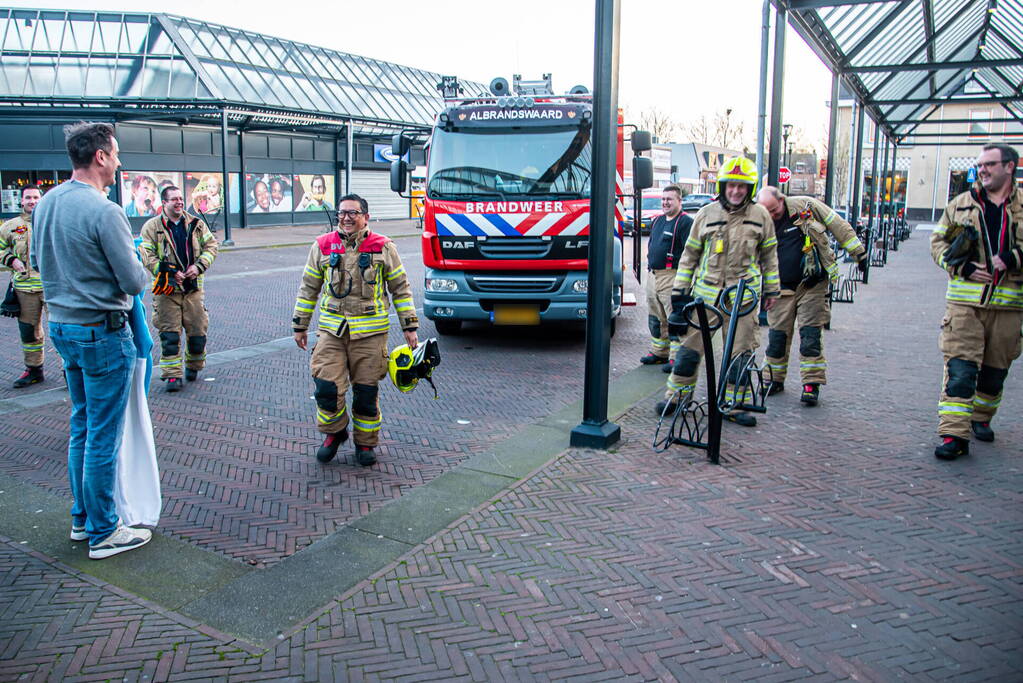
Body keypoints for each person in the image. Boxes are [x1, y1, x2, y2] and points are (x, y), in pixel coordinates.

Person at [30, 121, 153, 559]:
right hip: (102, 330)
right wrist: (143, 265)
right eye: (116, 154)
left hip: (63, 328)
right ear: (100, 156)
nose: (119, 162)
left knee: (81, 426)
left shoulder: (45, 204)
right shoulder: (105, 210)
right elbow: (133, 279)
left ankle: (82, 519)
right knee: (104, 433)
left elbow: (34, 261)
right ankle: (104, 530)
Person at [292, 194, 419, 466]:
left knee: (365, 394)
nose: (346, 218)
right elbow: (309, 288)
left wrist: (409, 326)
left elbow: (400, 289)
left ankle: (365, 444)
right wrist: (300, 325)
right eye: (342, 213)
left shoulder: (383, 247)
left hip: (370, 335)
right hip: (332, 331)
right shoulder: (323, 246)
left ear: (366, 217)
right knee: (326, 389)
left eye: (353, 213)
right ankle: (334, 433)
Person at [656, 157, 780, 427]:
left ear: (750, 188)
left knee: (740, 354)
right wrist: (679, 295)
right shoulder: (705, 214)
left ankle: (734, 405)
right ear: (723, 186)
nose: (736, 191)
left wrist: (772, 289)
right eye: (731, 186)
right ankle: (677, 397)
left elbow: (770, 256)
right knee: (689, 351)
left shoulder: (761, 217)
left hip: (743, 301)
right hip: (706, 298)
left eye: (742, 186)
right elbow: (689, 257)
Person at [930, 143, 1023, 460]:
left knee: (994, 374)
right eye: (980, 164)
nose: (982, 169)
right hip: (964, 307)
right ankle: (953, 435)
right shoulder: (960, 205)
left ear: (1009, 166)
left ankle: (980, 418)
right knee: (960, 370)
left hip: (1009, 308)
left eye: (990, 164)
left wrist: (1012, 258)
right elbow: (938, 243)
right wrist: (961, 266)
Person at [756, 186, 866, 406]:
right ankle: (773, 379)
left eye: (774, 211)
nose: (772, 216)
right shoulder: (759, 220)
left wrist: (859, 254)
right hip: (781, 289)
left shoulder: (806, 206)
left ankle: (811, 384)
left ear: (782, 200)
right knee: (777, 337)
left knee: (810, 337)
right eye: (766, 212)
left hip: (812, 284)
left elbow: (837, 225)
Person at [138, 185, 219, 392]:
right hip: (167, 291)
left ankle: (194, 365)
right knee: (170, 335)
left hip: (193, 290)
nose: (179, 202)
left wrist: (198, 266)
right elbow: (146, 253)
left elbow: (212, 246)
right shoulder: (151, 227)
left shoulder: (196, 224)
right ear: (164, 203)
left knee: (198, 333)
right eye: (174, 199)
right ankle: (172, 376)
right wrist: (164, 269)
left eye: (181, 198)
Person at [639, 185, 693, 372]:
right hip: (653, 276)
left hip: (672, 277)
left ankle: (675, 358)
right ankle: (659, 352)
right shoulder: (658, 221)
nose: (665, 202)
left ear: (679, 201)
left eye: (669, 199)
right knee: (656, 318)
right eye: (663, 199)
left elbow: (691, 254)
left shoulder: (686, 223)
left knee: (674, 319)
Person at [0, 186, 47, 387]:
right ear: (21, 201)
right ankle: (34, 370)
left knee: (61, 329)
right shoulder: (11, 226)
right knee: (29, 332)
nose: (32, 201)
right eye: (28, 197)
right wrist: (11, 260)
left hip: (52, 288)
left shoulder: (50, 222)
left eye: (36, 197)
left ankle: (69, 369)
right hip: (24, 289)